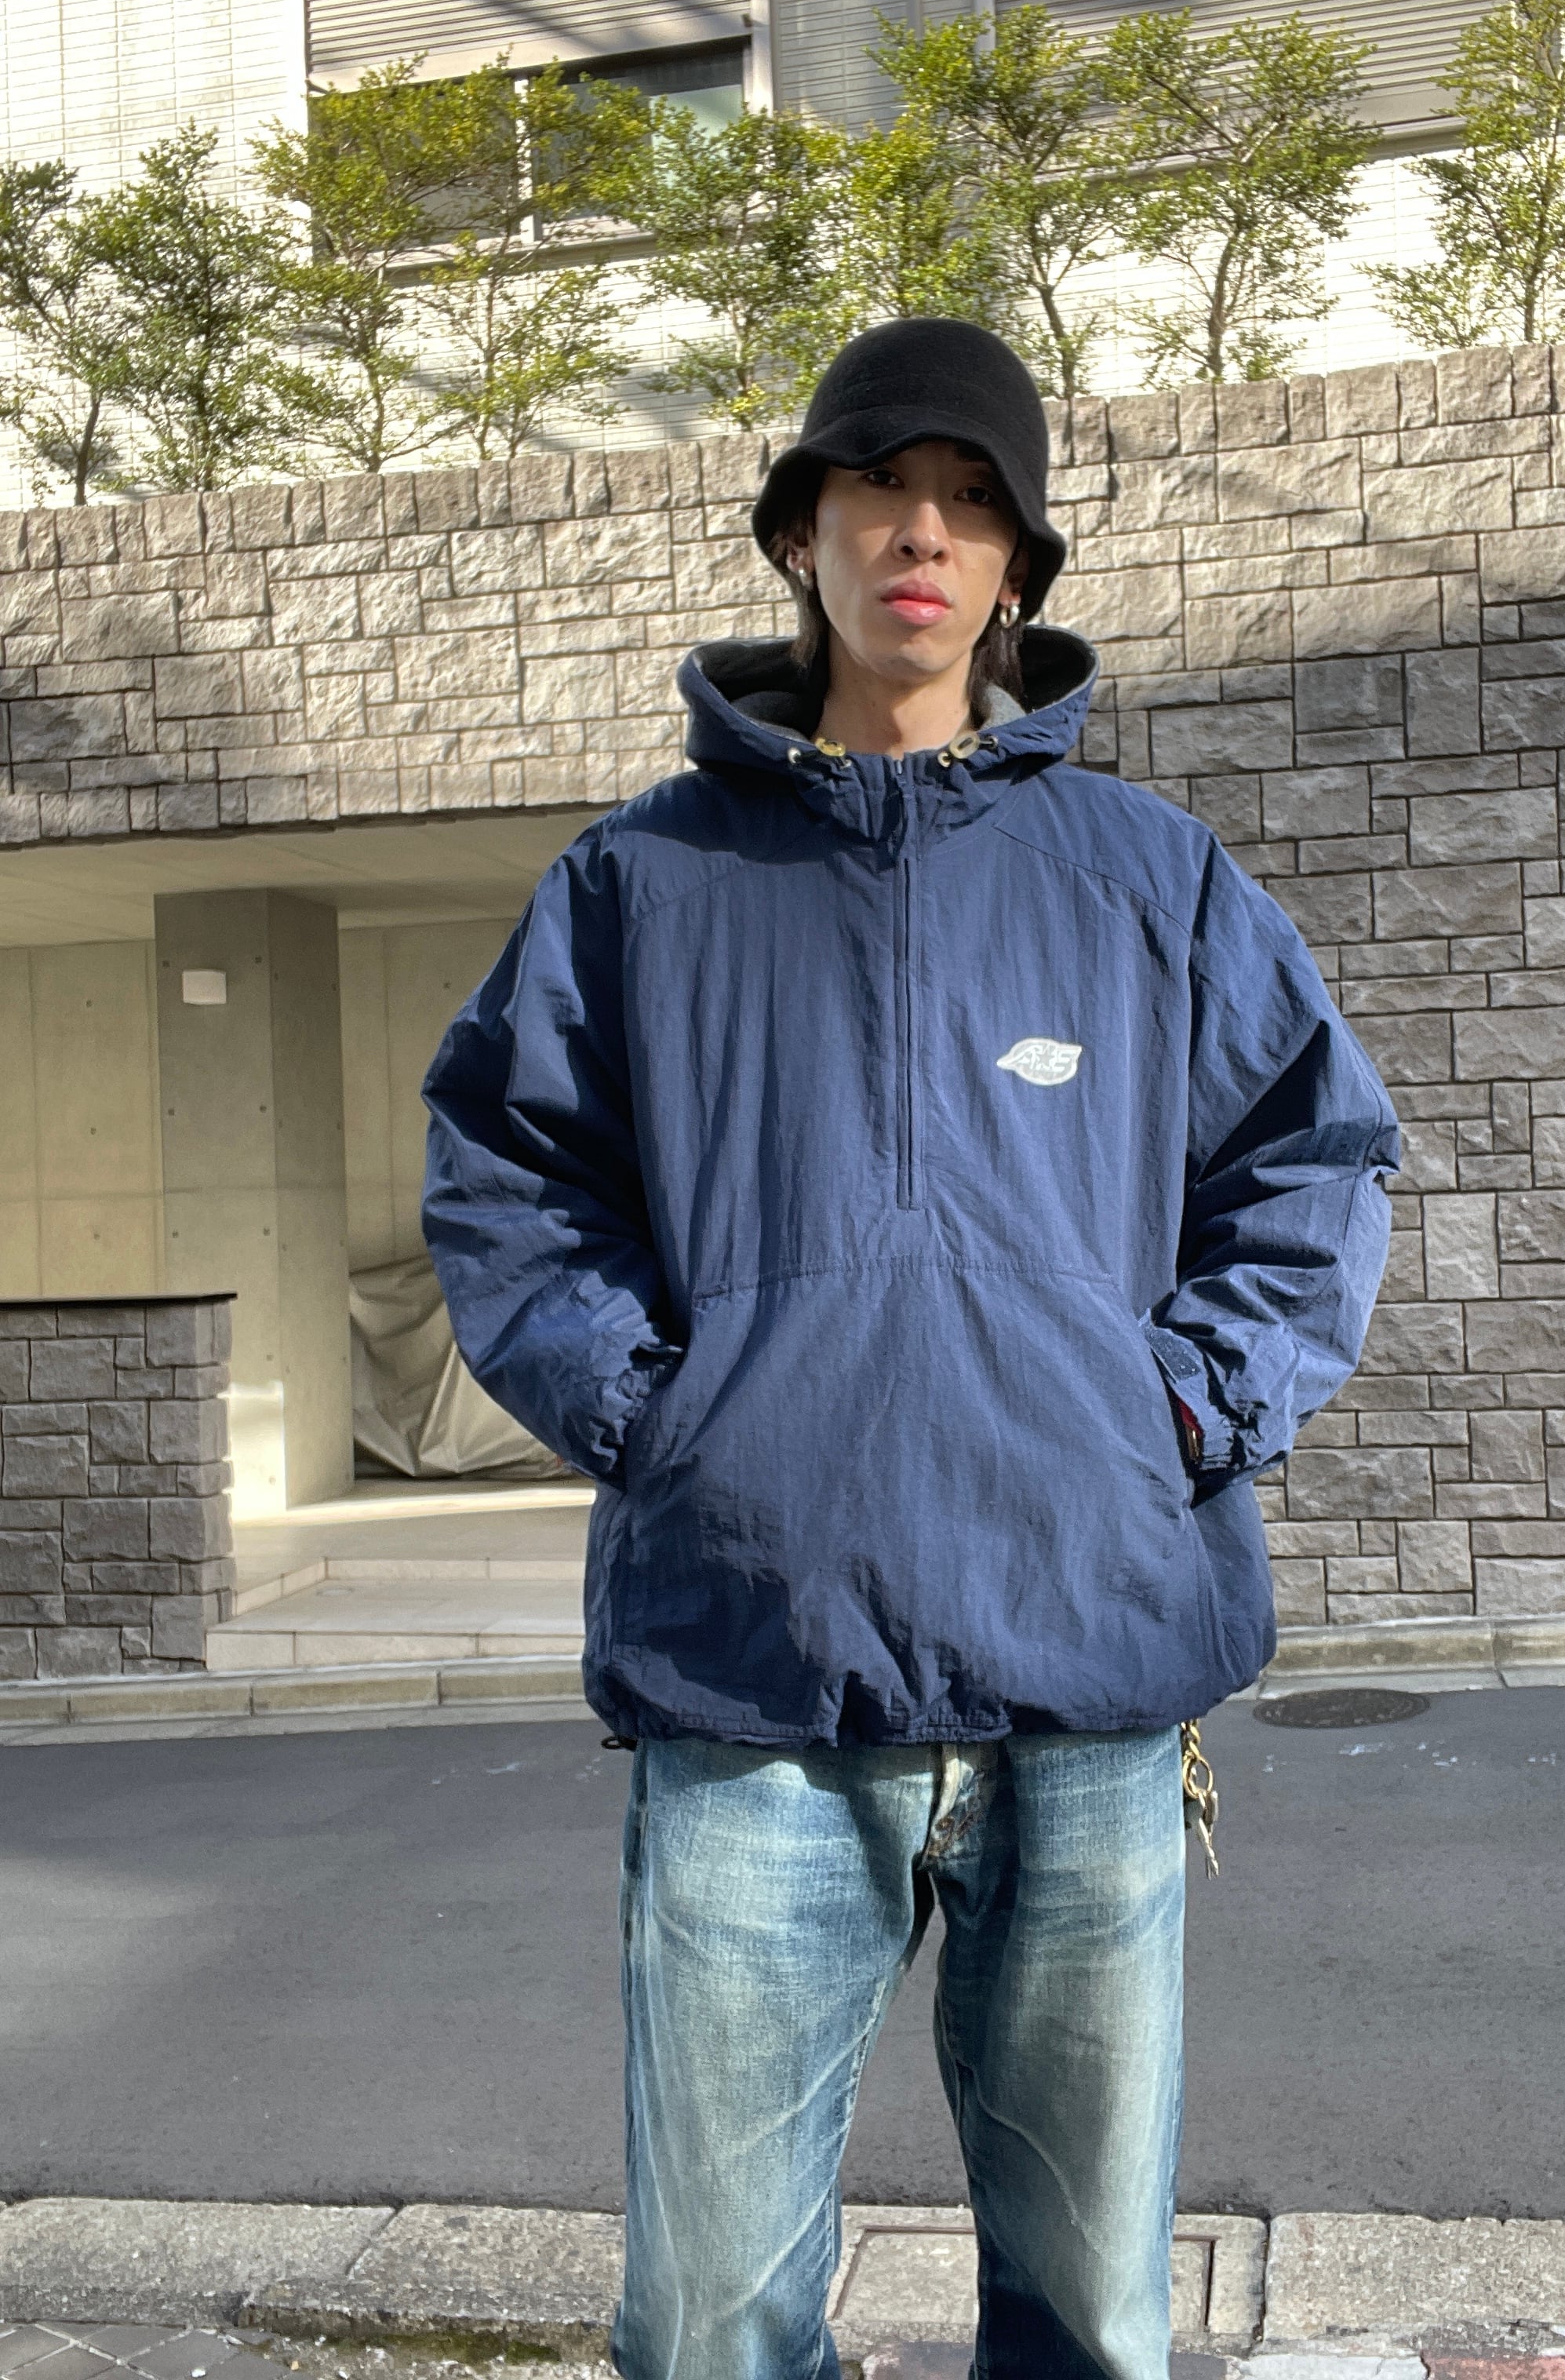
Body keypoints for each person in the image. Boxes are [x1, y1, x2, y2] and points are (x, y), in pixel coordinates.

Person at [420, 318, 1399, 2380]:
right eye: (880, 488)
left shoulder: (1148, 880)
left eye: (971, 500)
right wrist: (657, 1413)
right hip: (751, 1681)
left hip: (1094, 1673)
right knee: (710, 2320)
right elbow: (508, 1175)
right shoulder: (641, 881)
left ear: (1018, 564)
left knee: (1091, 2316)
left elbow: (1312, 1162)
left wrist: (1185, 1406)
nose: (922, 534)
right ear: (804, 534)